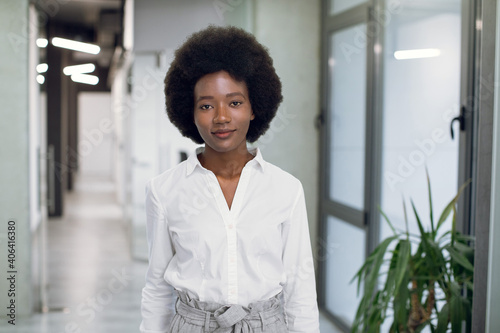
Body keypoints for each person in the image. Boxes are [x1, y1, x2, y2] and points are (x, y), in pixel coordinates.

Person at [140, 25, 320, 333]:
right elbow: (157, 288)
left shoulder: (286, 190)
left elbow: (299, 288)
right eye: (206, 105)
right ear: (190, 112)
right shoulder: (164, 191)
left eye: (235, 102)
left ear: (253, 108)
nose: (221, 117)